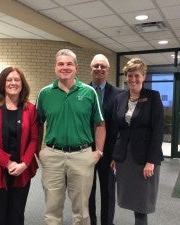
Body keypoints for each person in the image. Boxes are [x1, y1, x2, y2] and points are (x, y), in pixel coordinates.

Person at [36, 49, 106, 225]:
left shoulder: (89, 92)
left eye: (69, 64)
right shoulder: (45, 93)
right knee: (52, 210)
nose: (65, 67)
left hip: (81, 156)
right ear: (55, 67)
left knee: (81, 211)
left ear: (76, 67)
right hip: (52, 156)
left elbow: (100, 125)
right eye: (61, 64)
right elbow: (36, 124)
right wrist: (39, 151)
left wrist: (98, 152)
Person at [0, 66, 39, 225]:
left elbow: (34, 139)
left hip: (21, 171)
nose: (13, 83)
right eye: (9, 80)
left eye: (17, 80)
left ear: (22, 84)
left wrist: (24, 164)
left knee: (17, 216)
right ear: (2, 84)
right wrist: (8, 162)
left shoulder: (30, 109)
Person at [110, 58, 164, 225]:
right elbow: (115, 129)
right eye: (130, 75)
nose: (133, 79)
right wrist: (114, 156)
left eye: (137, 75)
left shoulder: (153, 97)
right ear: (125, 76)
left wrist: (151, 161)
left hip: (144, 158)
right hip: (125, 157)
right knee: (129, 198)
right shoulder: (119, 98)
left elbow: (158, 130)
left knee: (142, 203)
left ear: (144, 76)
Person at [88, 54, 124, 225]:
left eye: (103, 66)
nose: (99, 69)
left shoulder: (119, 94)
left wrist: (117, 155)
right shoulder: (81, 91)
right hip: (85, 152)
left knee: (108, 192)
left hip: (109, 154)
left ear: (108, 70)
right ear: (91, 68)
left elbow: (121, 127)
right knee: (87, 192)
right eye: (96, 66)